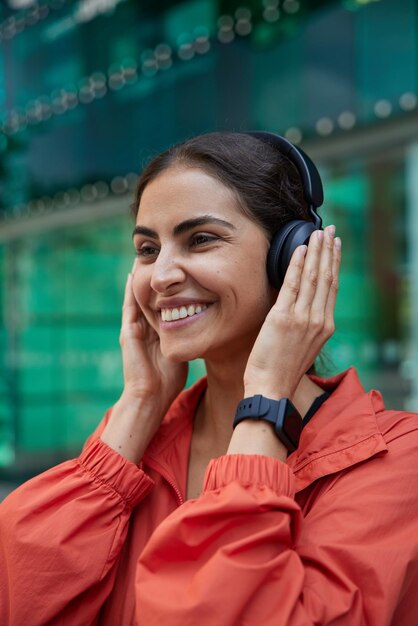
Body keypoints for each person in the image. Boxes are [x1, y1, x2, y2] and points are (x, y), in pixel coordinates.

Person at [0, 132, 417, 626]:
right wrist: (139, 401)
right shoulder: (137, 440)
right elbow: (24, 598)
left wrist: (265, 402)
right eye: (148, 248)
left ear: (291, 258)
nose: (160, 276)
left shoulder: (397, 462)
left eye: (200, 239)